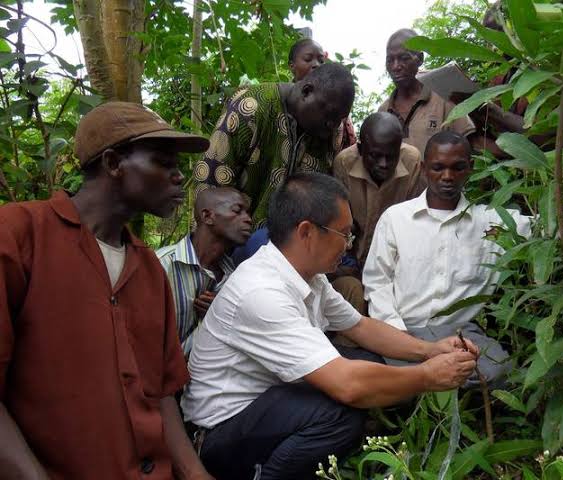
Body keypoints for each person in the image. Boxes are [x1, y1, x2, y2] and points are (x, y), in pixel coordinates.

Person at [182, 172, 479, 480]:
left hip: (264, 405)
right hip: (219, 432)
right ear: (307, 232)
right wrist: (428, 376)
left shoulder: (309, 276)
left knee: (368, 363)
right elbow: (349, 386)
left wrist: (430, 351)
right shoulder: (262, 292)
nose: (349, 245)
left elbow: (361, 327)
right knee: (340, 412)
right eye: (344, 234)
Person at [0, 101, 214, 479]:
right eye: (164, 163)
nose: (179, 177)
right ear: (114, 163)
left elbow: (162, 393)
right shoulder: (19, 234)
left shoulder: (149, 269)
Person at [363, 131, 532, 386]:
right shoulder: (396, 219)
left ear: (470, 168)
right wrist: (397, 333)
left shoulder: (490, 221)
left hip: (461, 335)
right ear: (423, 169)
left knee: (499, 371)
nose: (448, 176)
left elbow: (552, 226)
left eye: (457, 167)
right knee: (391, 376)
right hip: (403, 329)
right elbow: (377, 282)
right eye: (438, 167)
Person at [194, 62, 355, 228]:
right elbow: (210, 180)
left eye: (340, 119)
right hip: (233, 237)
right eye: (330, 115)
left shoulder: (332, 133)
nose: (333, 125)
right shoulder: (252, 106)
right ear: (307, 92)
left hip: (292, 244)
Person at [331, 112, 423, 314]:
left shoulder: (412, 161)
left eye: (391, 156)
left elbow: (416, 224)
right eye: (375, 156)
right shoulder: (344, 163)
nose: (383, 164)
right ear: (361, 149)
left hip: (397, 263)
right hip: (354, 260)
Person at [157, 187, 252, 357]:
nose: (248, 219)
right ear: (207, 216)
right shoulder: (162, 265)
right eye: (238, 211)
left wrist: (220, 315)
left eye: (247, 212)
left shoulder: (237, 278)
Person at [379, 28, 476, 158]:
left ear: (420, 59)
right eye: (390, 60)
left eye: (404, 58)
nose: (396, 66)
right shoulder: (383, 111)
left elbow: (470, 146)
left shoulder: (444, 99)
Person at [288, 37, 357, 150]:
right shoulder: (278, 102)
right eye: (308, 59)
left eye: (321, 61)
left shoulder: (339, 116)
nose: (316, 65)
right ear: (292, 65)